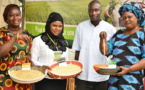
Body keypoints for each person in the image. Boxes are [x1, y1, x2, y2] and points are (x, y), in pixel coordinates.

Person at [99, 2, 145, 90]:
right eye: (124, 18)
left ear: (137, 16)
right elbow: (106, 52)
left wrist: (128, 69)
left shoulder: (142, 34)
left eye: (129, 17)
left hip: (132, 83)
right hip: (114, 81)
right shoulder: (118, 34)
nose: (126, 20)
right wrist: (102, 39)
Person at [72, 0, 116, 90]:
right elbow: (77, 50)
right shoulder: (81, 27)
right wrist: (76, 70)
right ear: (88, 11)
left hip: (102, 76)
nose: (93, 13)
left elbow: (114, 53)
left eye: (96, 10)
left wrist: (111, 70)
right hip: (83, 75)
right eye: (91, 10)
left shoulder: (110, 29)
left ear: (101, 11)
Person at [31, 12, 68, 90]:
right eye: (54, 25)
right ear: (49, 25)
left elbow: (63, 60)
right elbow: (33, 60)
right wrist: (44, 68)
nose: (57, 29)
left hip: (60, 80)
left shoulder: (63, 42)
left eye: (60, 26)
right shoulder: (38, 40)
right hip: (44, 80)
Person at [0, 4, 32, 90]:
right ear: (6, 18)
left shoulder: (27, 33)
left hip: (24, 75)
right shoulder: (2, 33)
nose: (15, 18)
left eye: (17, 15)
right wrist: (14, 37)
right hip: (6, 76)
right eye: (11, 15)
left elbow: (30, 54)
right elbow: (1, 53)